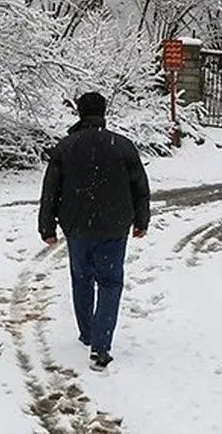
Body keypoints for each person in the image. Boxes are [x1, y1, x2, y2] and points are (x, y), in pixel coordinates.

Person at [38, 91, 151, 371]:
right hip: (114, 227)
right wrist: (141, 220)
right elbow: (140, 186)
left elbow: (50, 190)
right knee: (111, 283)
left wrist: (47, 226)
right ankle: (101, 346)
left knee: (81, 278)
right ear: (104, 112)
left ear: (79, 112)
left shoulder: (66, 147)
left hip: (77, 228)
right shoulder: (123, 146)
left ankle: (88, 332)